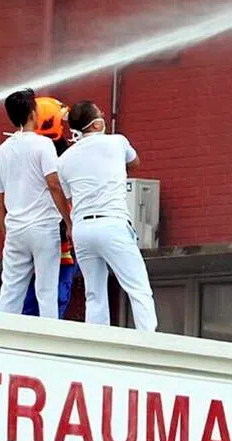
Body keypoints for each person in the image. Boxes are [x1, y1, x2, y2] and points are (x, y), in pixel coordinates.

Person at [58, 101, 157, 331]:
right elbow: (136, 163)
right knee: (138, 287)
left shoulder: (64, 160)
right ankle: (150, 342)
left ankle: (97, 343)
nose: (103, 114)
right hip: (112, 223)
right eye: (100, 113)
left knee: (94, 293)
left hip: (82, 229)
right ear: (96, 124)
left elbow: (68, 194)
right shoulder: (117, 142)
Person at [0, 88, 72, 318]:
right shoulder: (43, 145)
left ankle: (3, 342)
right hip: (44, 227)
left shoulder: (1, 152)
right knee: (46, 290)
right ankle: (49, 342)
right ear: (33, 113)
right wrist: (68, 220)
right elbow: (54, 185)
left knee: (10, 290)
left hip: (15, 228)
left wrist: (7, 232)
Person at [21, 97, 79, 319]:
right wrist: (70, 222)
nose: (65, 126)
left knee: (27, 289)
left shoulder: (20, 150)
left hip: (27, 229)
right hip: (55, 230)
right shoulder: (58, 153)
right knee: (53, 290)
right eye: (61, 122)